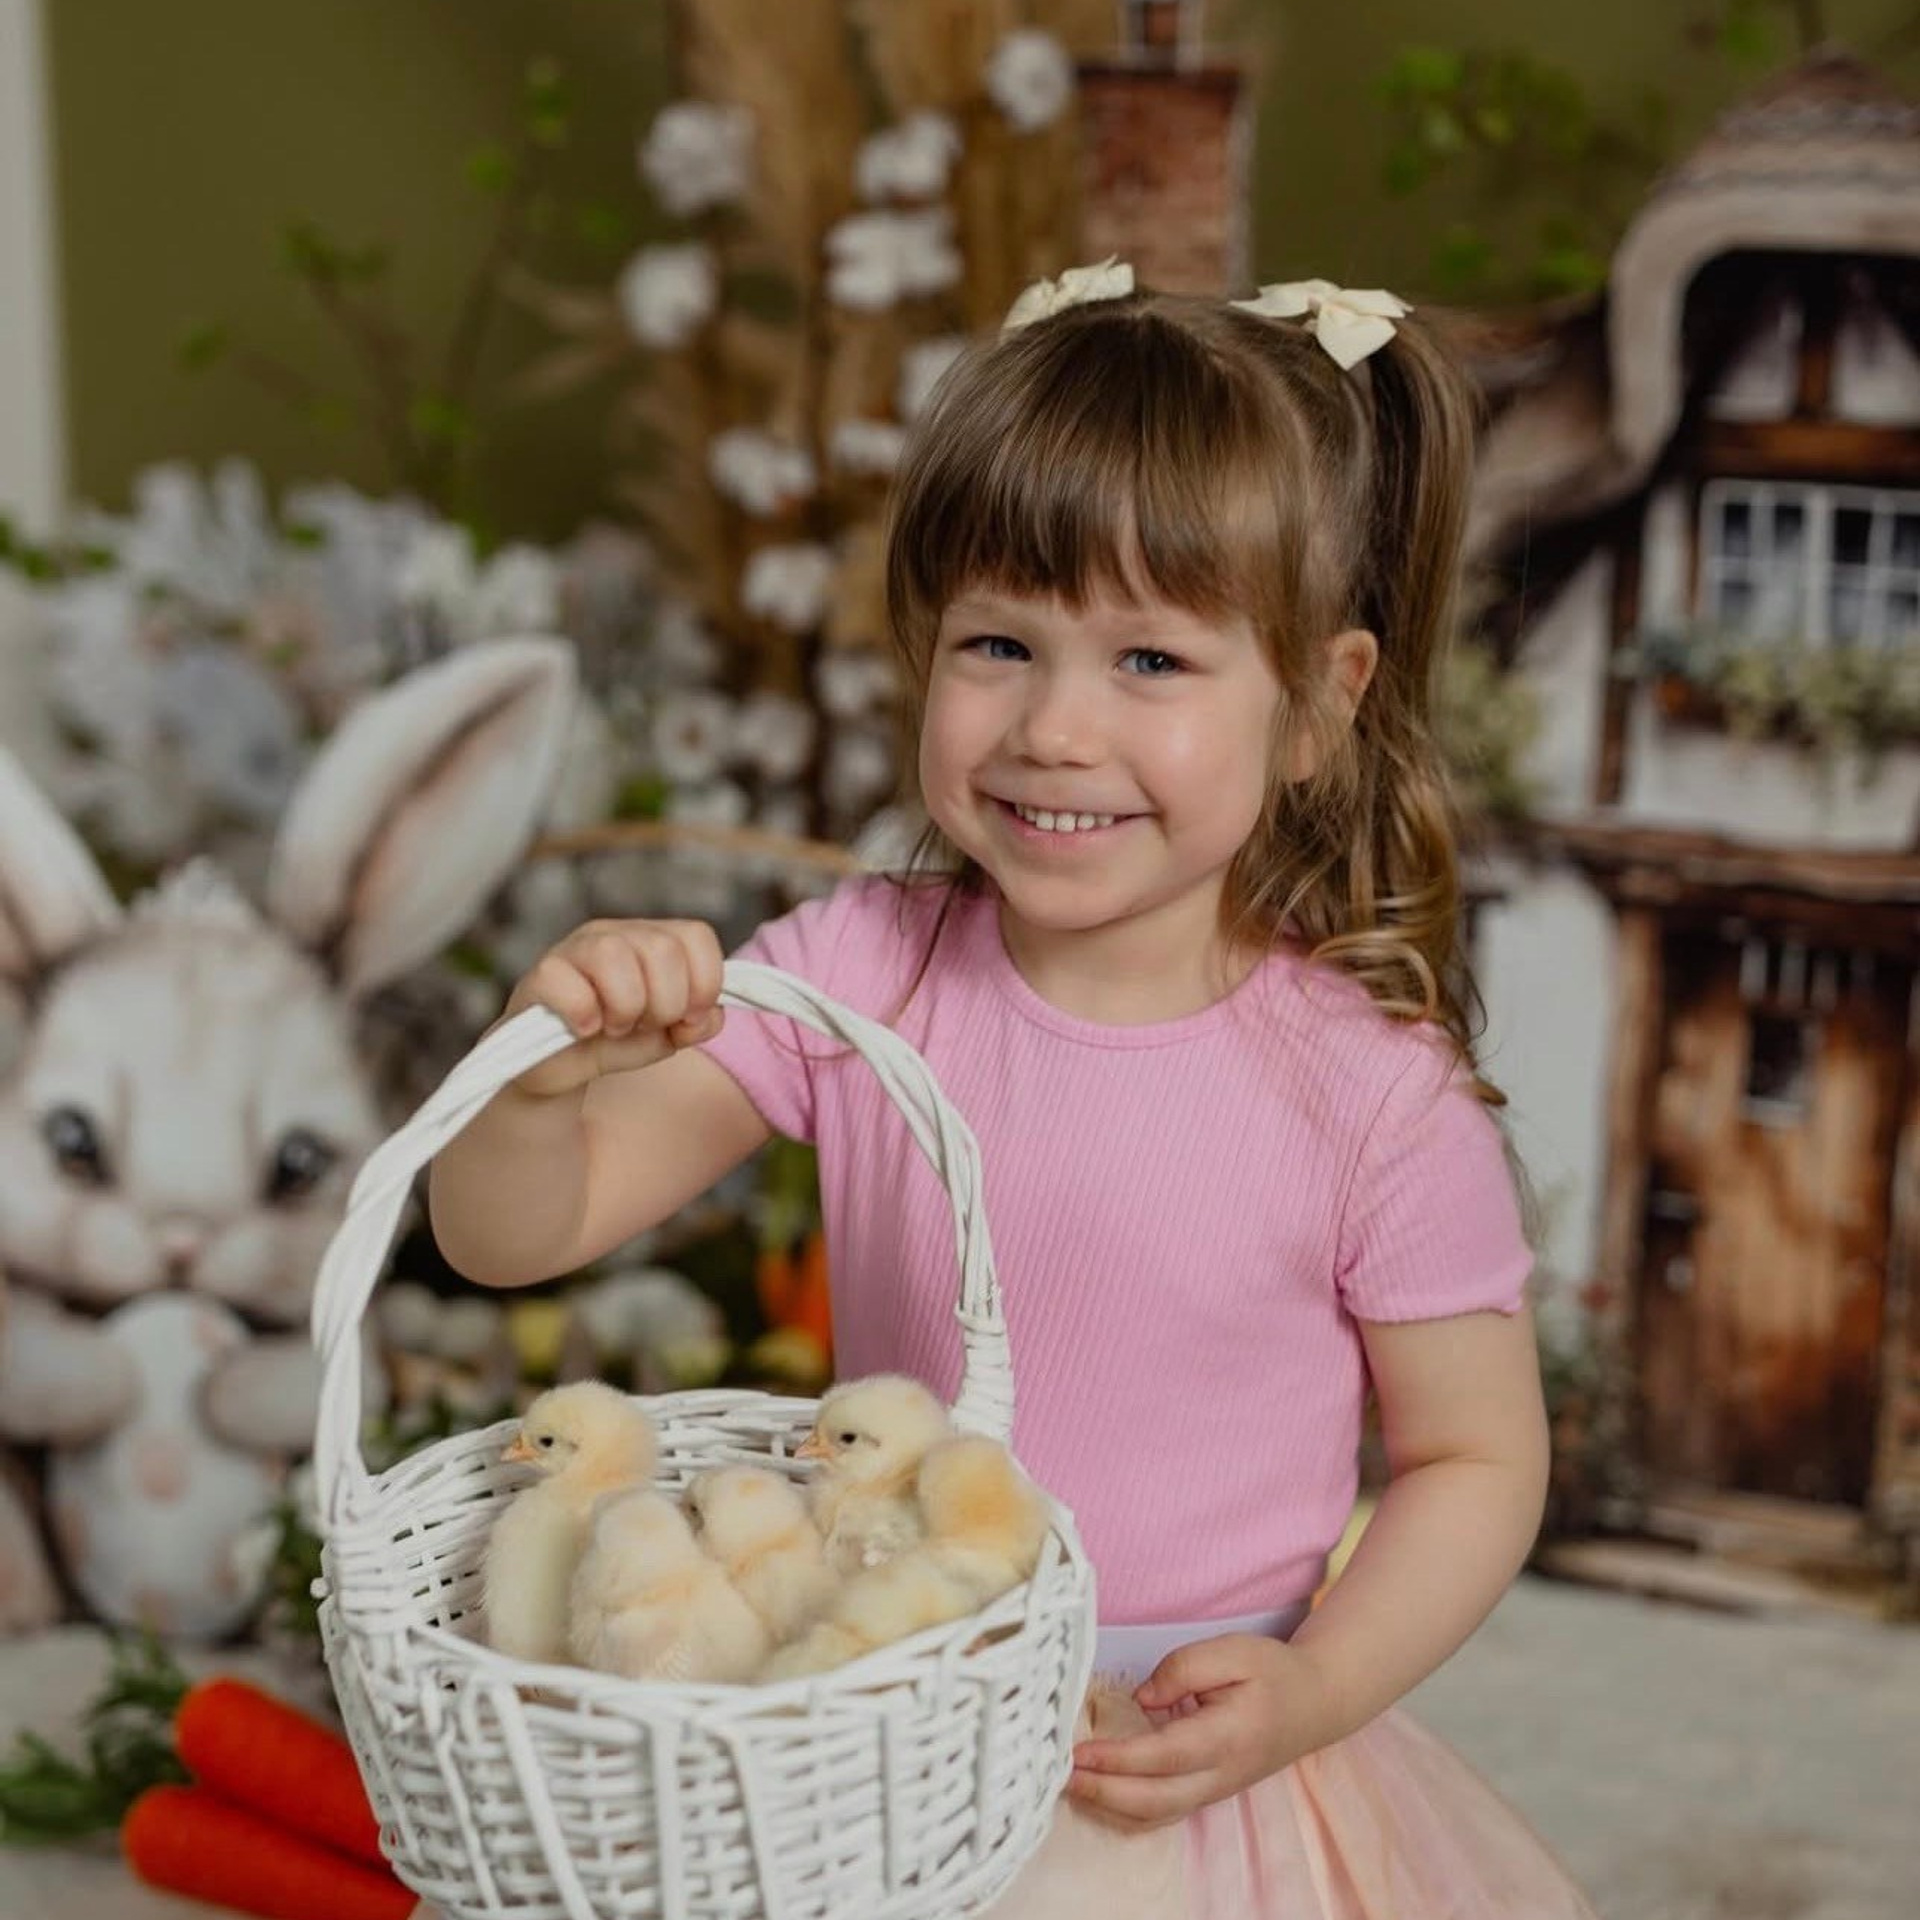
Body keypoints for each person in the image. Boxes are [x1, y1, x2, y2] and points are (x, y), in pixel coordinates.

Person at [427, 261, 1599, 1917]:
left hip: (1180, 1758)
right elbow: (509, 1238)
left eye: (1150, 663)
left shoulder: (1374, 1100)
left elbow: (1477, 1462)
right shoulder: (856, 976)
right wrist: (543, 1087)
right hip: (884, 1720)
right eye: (999, 642)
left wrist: (1318, 1691)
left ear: (1320, 708)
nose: (1054, 725)